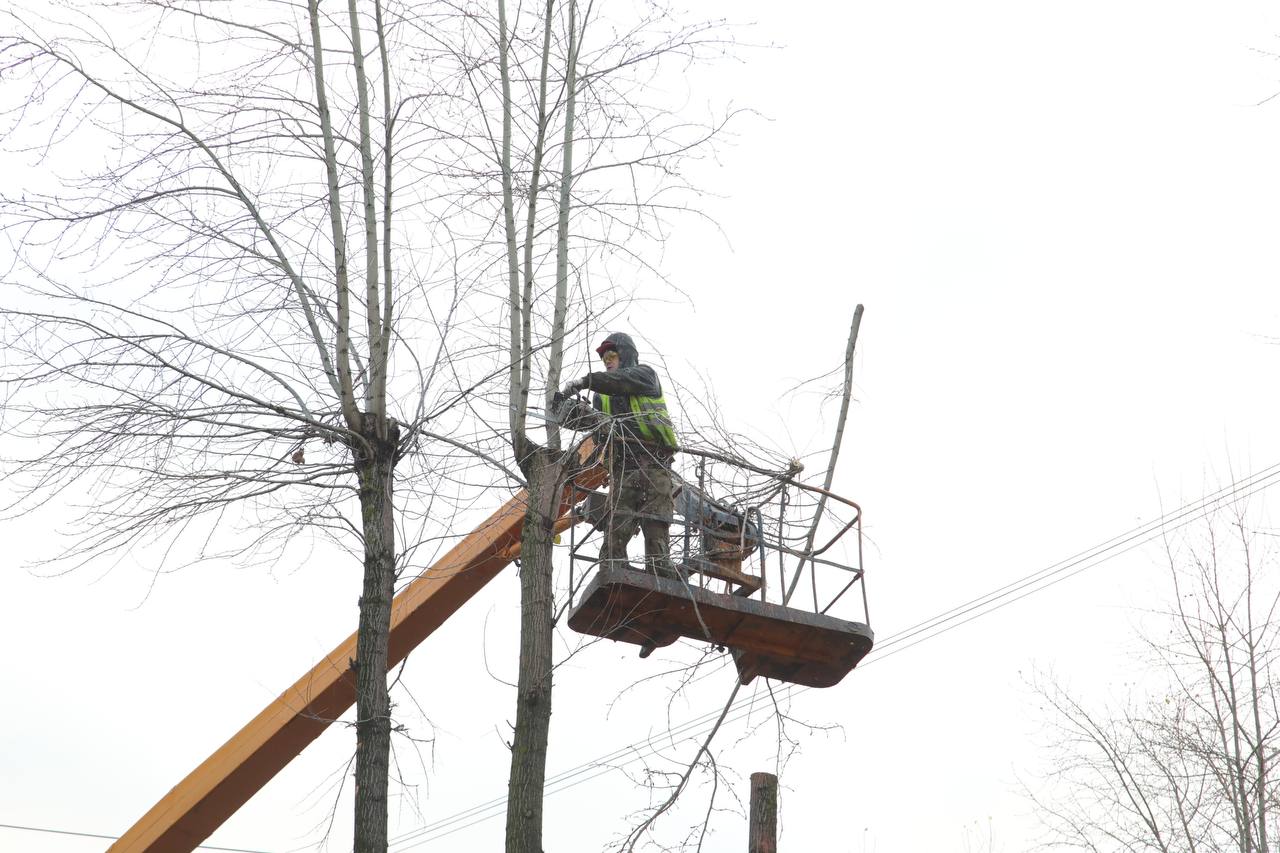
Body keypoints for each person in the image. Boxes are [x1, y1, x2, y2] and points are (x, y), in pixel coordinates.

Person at [558, 332, 679, 578]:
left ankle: (660, 570)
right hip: (624, 468)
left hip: (655, 464)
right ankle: (613, 568)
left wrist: (585, 381)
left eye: (612, 356)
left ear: (625, 356)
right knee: (618, 522)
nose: (608, 362)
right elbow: (598, 429)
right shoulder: (601, 396)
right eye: (605, 360)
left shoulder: (645, 376)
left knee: (656, 521)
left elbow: (620, 381)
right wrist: (567, 410)